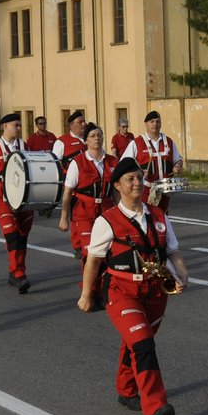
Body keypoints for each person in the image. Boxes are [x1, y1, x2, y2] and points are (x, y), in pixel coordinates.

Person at [81, 157, 188, 415]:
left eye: (139, 178)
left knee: (137, 341)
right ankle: (156, 407)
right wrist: (86, 294)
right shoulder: (107, 221)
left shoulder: (159, 215)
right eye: (130, 179)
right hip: (121, 290)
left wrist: (182, 273)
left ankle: (127, 390)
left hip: (155, 291)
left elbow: (172, 250)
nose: (137, 183)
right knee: (142, 343)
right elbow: (93, 260)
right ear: (117, 185)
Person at [58, 123, 118, 306]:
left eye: (99, 134)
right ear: (85, 141)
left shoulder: (112, 162)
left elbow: (116, 191)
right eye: (92, 135)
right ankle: (89, 293)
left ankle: (100, 289)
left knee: (107, 251)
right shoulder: (78, 162)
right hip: (84, 212)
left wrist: (121, 211)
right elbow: (68, 192)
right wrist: (64, 217)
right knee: (90, 252)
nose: (97, 138)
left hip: (106, 210)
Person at [0, 112, 34, 293]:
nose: (19, 128)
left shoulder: (23, 145)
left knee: (21, 236)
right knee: (11, 235)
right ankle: (19, 274)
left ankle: (15, 272)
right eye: (16, 125)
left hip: (24, 199)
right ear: (4, 126)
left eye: (20, 125)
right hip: (4, 198)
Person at [130, 111, 183, 213]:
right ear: (146, 124)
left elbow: (178, 159)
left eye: (158, 121)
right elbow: (125, 163)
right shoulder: (137, 142)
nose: (155, 124)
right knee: (146, 218)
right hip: (146, 189)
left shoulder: (168, 141)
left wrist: (177, 165)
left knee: (162, 218)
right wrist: (139, 172)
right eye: (152, 121)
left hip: (165, 188)